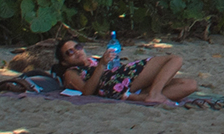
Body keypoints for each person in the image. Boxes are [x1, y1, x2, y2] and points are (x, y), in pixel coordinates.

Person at [55, 35, 198, 107]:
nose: (77, 52)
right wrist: (102, 65)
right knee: (175, 59)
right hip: (113, 84)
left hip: (123, 82)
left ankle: (136, 96)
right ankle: (154, 94)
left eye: (78, 47)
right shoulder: (71, 72)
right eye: (70, 52)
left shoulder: (95, 60)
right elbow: (87, 92)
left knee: (190, 85)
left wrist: (103, 63)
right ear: (64, 61)